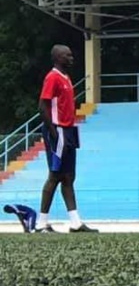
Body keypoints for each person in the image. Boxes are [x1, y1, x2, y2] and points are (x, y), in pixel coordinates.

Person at [35, 45, 97, 233]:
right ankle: (41, 223)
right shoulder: (52, 77)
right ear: (57, 58)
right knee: (55, 175)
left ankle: (75, 222)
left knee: (69, 176)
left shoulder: (67, 78)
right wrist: (54, 132)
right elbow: (42, 106)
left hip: (69, 130)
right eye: (67, 55)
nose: (71, 57)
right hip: (58, 130)